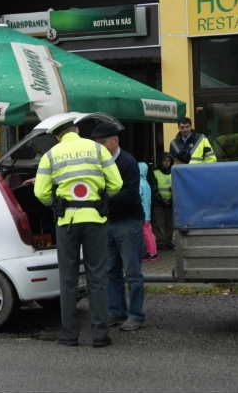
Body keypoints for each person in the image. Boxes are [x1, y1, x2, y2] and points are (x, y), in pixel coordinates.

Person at [34, 118, 122, 348]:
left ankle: (69, 335)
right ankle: (100, 335)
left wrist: (57, 203)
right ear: (77, 130)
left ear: (57, 136)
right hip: (95, 220)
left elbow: (40, 193)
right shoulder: (97, 149)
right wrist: (101, 197)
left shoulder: (50, 155)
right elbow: (117, 183)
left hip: (67, 222)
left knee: (68, 279)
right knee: (98, 278)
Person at [90, 120, 145, 332]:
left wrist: (104, 200)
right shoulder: (99, 163)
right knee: (111, 271)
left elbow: (131, 195)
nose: (99, 147)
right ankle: (116, 312)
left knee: (132, 271)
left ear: (114, 141)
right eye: (97, 143)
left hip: (128, 223)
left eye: (102, 142)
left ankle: (136, 315)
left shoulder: (127, 162)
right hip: (108, 222)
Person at [152, 153, 174, 250]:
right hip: (159, 203)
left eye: (168, 161)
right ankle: (160, 242)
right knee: (159, 223)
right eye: (164, 160)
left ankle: (168, 242)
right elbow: (154, 189)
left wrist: (171, 199)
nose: (166, 163)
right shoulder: (155, 172)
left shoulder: (174, 172)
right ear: (161, 162)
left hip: (171, 202)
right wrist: (162, 200)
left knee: (170, 224)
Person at [139, 162, 158, 260]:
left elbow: (138, 198)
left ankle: (151, 253)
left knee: (146, 233)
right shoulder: (146, 183)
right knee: (149, 233)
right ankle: (153, 251)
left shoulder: (140, 184)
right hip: (147, 213)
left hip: (142, 213)